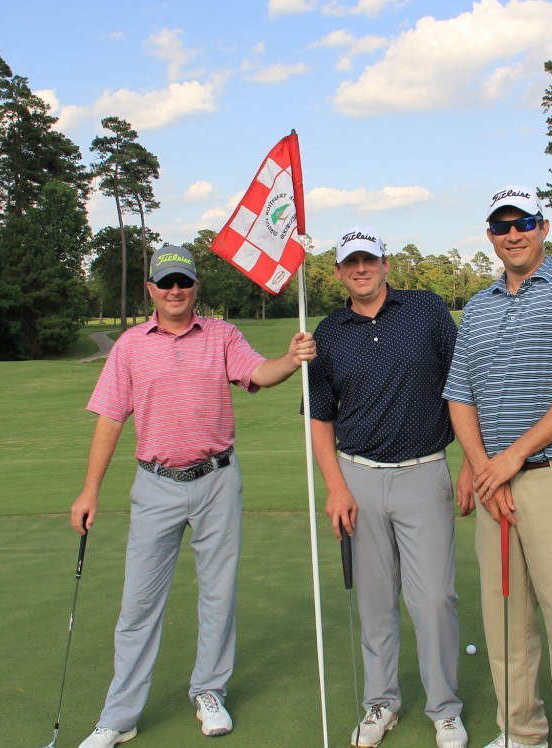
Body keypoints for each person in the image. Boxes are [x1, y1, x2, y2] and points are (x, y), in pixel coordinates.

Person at [70, 244, 315, 748]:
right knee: (139, 603)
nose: (176, 291)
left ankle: (208, 691)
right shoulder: (131, 346)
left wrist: (290, 360)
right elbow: (111, 418)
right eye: (167, 284)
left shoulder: (222, 335)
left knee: (218, 595)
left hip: (217, 480)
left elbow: (259, 374)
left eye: (184, 282)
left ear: (196, 287)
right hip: (155, 485)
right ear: (151, 291)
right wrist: (89, 490)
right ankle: (119, 716)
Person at [443, 186, 552, 748]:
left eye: (524, 222)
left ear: (544, 227)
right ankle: (521, 734)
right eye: (501, 226)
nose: (513, 233)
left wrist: (512, 455)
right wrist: (480, 465)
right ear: (490, 236)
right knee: (505, 623)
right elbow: (460, 394)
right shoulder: (479, 306)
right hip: (496, 486)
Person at [307, 228, 469, 748]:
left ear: (385, 264)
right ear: (337, 273)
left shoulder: (426, 310)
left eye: (369, 260)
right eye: (350, 262)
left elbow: (462, 384)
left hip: (424, 472)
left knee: (435, 599)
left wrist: (471, 462)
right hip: (357, 477)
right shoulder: (327, 333)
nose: (361, 269)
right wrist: (335, 487)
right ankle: (381, 702)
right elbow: (320, 418)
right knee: (376, 601)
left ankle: (444, 708)